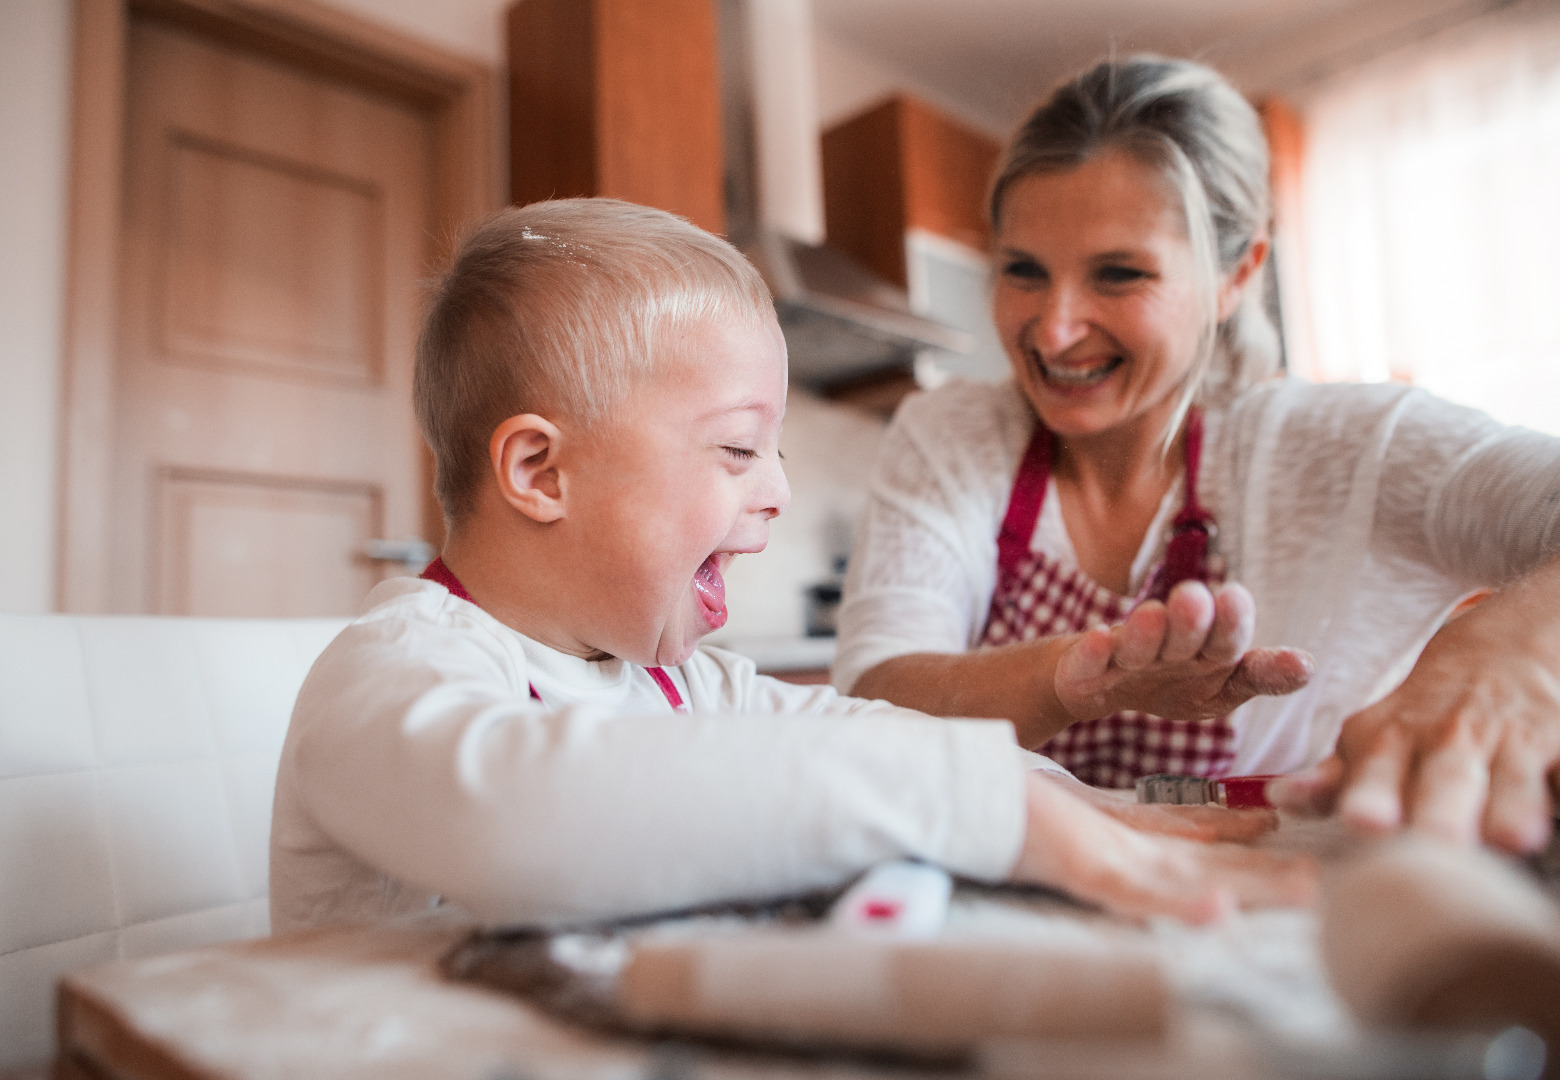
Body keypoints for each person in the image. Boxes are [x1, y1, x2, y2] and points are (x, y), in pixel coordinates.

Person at [269, 198, 1313, 934]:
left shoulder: (680, 681)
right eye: (735, 448)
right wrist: (980, 811)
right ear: (541, 470)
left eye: (777, 450)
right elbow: (522, 821)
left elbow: (867, 736)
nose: (775, 487)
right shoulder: (394, 673)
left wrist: (1108, 807)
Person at [835, 55, 1560, 854]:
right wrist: (1077, 679)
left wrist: (1500, 654)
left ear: (1235, 274)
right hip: (1016, 879)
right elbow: (875, 695)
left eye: (1118, 274)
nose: (1054, 328)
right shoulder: (950, 435)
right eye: (1023, 272)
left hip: (1269, 898)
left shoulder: (1355, 443)